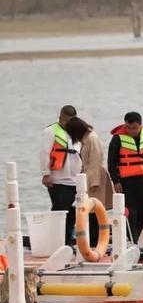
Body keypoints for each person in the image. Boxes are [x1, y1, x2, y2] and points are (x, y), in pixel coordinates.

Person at [65, 117, 114, 247]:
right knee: (91, 212)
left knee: (94, 212)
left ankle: (94, 242)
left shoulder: (91, 138)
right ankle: (93, 241)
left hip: (95, 178)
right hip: (90, 176)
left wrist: (93, 182)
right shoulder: (86, 139)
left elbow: (95, 161)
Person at [108, 112, 143, 244]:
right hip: (126, 181)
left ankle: (134, 239)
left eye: (134, 128)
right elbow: (111, 161)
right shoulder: (118, 138)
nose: (131, 131)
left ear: (141, 125)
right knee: (131, 213)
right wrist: (115, 180)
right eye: (128, 127)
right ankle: (130, 241)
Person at [40, 105, 81, 245]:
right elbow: (45, 153)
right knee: (59, 211)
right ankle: (56, 242)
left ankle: (68, 240)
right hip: (58, 180)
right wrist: (46, 174)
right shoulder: (50, 131)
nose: (70, 124)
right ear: (62, 117)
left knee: (72, 213)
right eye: (68, 120)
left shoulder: (75, 131)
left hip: (76, 180)